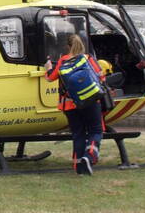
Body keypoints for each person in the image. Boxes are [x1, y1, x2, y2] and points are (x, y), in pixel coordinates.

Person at [44, 34, 104, 176]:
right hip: (90, 101)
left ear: (67, 46)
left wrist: (48, 67)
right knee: (96, 131)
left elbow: (49, 77)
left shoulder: (62, 61)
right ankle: (89, 157)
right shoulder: (88, 58)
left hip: (70, 105)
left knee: (78, 134)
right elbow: (100, 75)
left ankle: (78, 167)